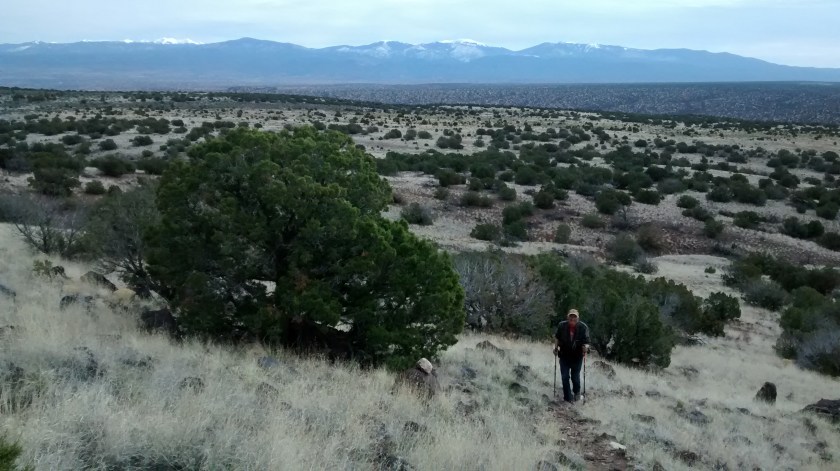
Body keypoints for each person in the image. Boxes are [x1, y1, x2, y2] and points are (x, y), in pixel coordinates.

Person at [553, 309, 590, 403]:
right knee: (565, 376)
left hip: (577, 356)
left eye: (574, 317)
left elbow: (587, 342)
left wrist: (586, 347)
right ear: (567, 317)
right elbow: (557, 337)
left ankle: (577, 393)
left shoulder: (583, 327)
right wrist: (556, 348)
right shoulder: (562, 325)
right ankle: (568, 398)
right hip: (564, 355)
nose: (572, 318)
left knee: (575, 377)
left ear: (578, 318)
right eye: (571, 316)